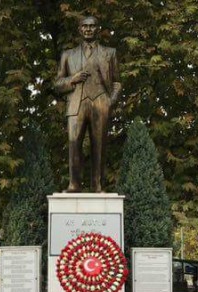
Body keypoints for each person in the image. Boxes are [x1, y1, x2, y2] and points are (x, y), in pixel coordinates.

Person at [54, 15, 121, 192]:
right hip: (77, 103)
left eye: (92, 26)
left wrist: (110, 101)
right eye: (85, 26)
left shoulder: (109, 53)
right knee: (74, 143)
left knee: (99, 145)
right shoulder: (68, 55)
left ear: (98, 29)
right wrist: (73, 79)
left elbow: (116, 82)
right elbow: (58, 84)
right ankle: (74, 184)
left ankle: (97, 185)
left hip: (101, 101)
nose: (88, 29)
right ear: (80, 29)